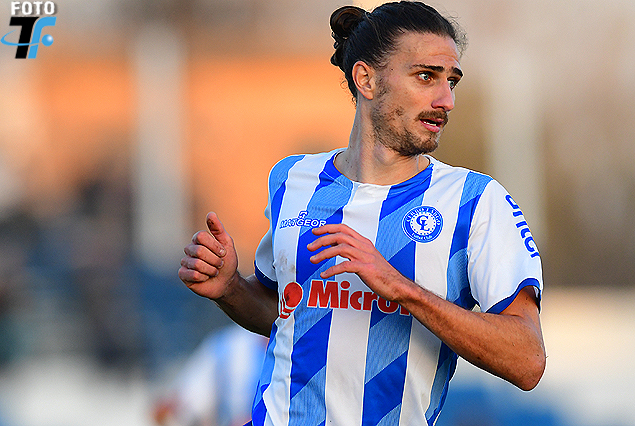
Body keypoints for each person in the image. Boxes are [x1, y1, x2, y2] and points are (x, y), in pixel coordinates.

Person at [178, 2, 546, 425]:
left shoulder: (475, 200)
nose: (446, 100)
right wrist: (230, 288)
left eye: (451, 81)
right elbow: (286, 318)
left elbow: (527, 361)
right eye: (426, 76)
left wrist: (401, 287)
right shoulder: (294, 179)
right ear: (366, 79)